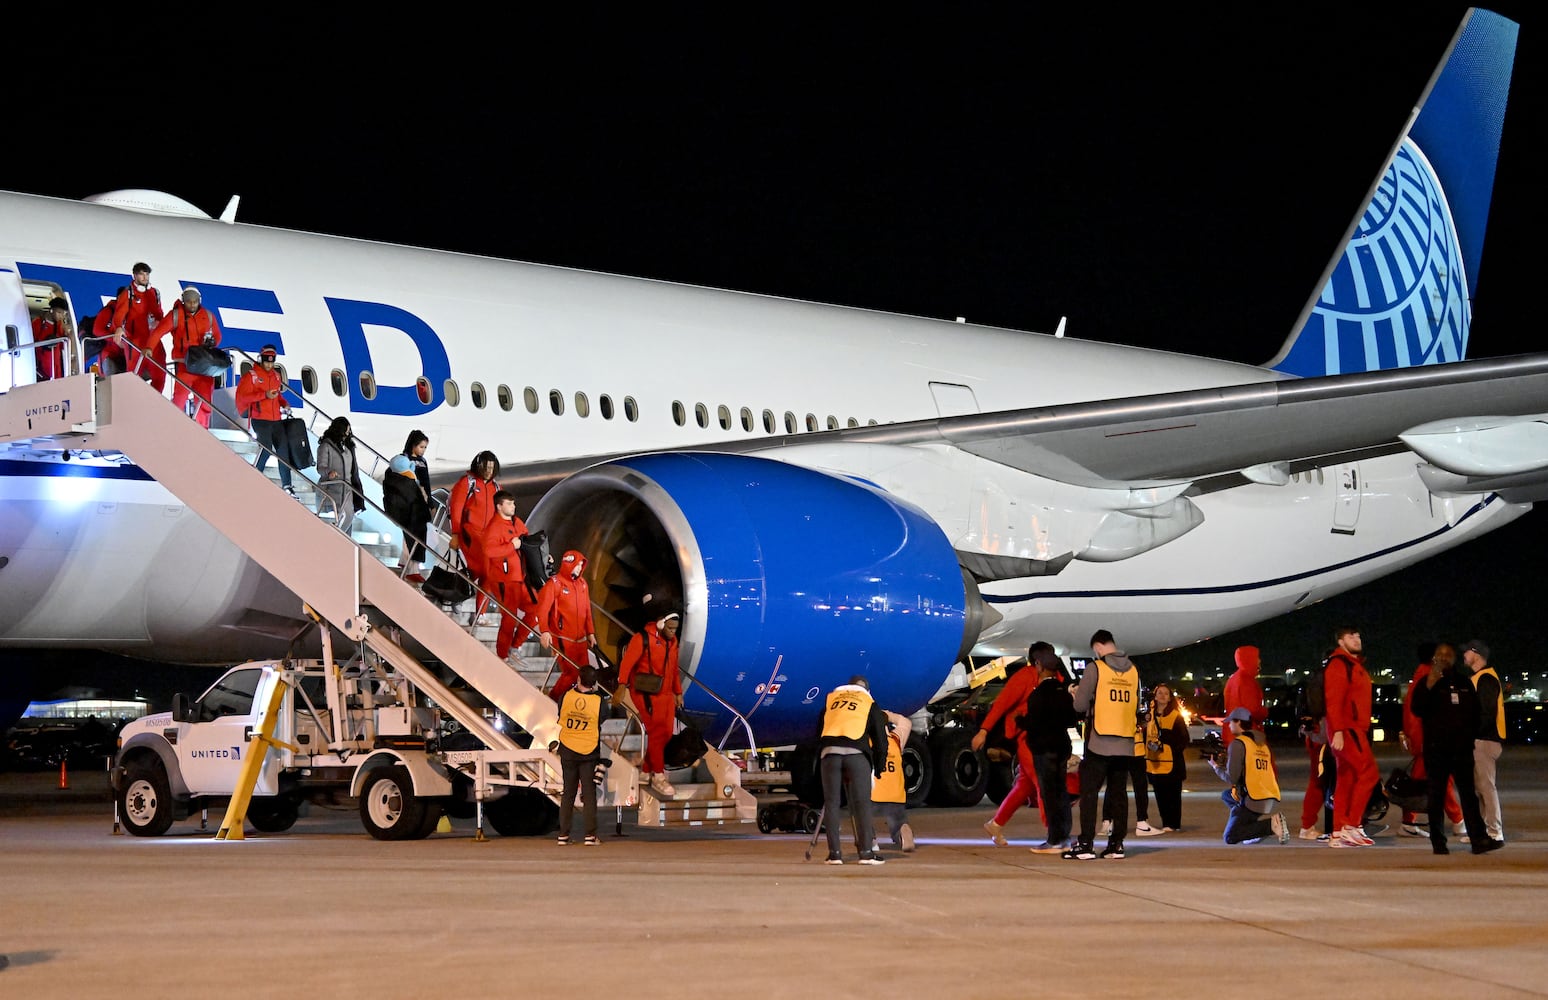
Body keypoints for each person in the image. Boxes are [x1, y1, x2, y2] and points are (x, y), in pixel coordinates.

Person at [1411, 642, 1497, 855]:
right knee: (1436, 797)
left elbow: (1475, 714)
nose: (1444, 658)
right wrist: (1432, 679)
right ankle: (1439, 843)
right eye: (1440, 654)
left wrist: (1469, 737)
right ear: (1433, 658)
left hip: (1461, 750)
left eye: (1448, 655)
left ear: (1454, 659)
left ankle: (1479, 840)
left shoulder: (1464, 683)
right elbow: (1417, 708)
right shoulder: (1427, 683)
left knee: (1468, 796)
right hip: (1436, 750)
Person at [1063, 629, 1139, 861]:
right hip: (1125, 741)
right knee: (1118, 794)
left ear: (1097, 647)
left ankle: (1086, 844)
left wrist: (1075, 693)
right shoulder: (1134, 670)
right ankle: (1116, 844)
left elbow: (1080, 705)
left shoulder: (1096, 668)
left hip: (1099, 740)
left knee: (1089, 793)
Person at [974, 641, 1053, 847]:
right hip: (1027, 739)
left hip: (1039, 737)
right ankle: (1054, 833)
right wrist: (984, 731)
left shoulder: (1050, 676)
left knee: (1024, 785)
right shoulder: (1025, 677)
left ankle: (996, 824)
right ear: (1038, 662)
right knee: (1042, 782)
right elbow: (1001, 705)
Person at [818, 674, 889, 866]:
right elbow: (881, 739)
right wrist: (880, 767)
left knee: (831, 803)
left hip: (829, 753)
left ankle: (834, 854)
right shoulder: (868, 702)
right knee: (861, 804)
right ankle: (866, 853)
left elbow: (820, 730)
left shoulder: (832, 700)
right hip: (856, 754)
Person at [1398, 643, 1464, 838]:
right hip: (1431, 740)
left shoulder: (1420, 674)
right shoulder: (1431, 677)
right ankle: (1458, 820)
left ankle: (1408, 822)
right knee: (1442, 780)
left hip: (1424, 739)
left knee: (1421, 782)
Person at [618, 608, 683, 797]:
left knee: (667, 734)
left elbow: (674, 668)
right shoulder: (641, 639)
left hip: (666, 693)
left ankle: (646, 770)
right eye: (670, 628)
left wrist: (677, 692)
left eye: (675, 629)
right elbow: (627, 663)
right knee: (656, 733)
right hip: (645, 692)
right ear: (661, 624)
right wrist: (622, 686)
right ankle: (659, 776)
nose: (673, 632)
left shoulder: (672, 642)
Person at [1324, 626, 1379, 848]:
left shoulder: (1354, 665)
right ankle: (1351, 825)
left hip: (1351, 729)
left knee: (1346, 779)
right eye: (1351, 636)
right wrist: (1337, 730)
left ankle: (1337, 831)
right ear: (1340, 641)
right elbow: (1333, 698)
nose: (1357, 639)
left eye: (1358, 635)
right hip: (1348, 730)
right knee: (1369, 773)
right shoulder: (1340, 665)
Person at [1208, 707, 1289, 844]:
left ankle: (1271, 825)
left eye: (1231, 722)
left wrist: (1216, 767)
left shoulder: (1238, 743)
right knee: (1227, 795)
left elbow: (1232, 778)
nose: (1229, 725)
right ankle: (1251, 830)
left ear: (1238, 722)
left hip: (1253, 799)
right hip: (1267, 795)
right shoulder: (1261, 744)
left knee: (1230, 837)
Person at [1023, 648, 1076, 854]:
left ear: (1040, 667)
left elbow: (1033, 724)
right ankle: (1065, 837)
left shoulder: (1038, 695)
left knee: (1049, 794)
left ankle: (1054, 839)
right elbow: (1072, 719)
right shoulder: (1063, 693)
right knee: (1061, 791)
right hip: (1061, 745)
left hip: (1044, 749)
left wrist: (1022, 723)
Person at [148, 286, 223, 428]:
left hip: (204, 366)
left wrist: (213, 342)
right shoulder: (175, 315)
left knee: (205, 401)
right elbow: (158, 332)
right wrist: (149, 348)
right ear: (184, 301)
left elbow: (218, 336)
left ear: (199, 300)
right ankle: (175, 427)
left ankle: (202, 429)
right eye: (189, 301)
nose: (192, 304)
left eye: (195, 301)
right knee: (179, 399)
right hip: (184, 364)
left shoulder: (208, 315)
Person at [234, 345, 298, 497]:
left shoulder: (276, 376)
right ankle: (256, 477)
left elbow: (277, 396)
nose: (269, 364)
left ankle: (287, 485)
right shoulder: (251, 376)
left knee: (283, 451)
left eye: (272, 362)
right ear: (261, 359)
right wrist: (264, 395)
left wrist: (284, 404)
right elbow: (243, 397)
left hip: (276, 419)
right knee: (266, 448)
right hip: (260, 418)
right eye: (266, 361)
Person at [535, 549, 596, 702]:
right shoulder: (555, 584)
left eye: (581, 565)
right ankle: (553, 700)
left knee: (584, 675)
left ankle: (575, 703)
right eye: (577, 565)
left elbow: (587, 610)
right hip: (563, 637)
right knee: (571, 673)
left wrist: (590, 633)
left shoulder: (582, 584)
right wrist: (545, 630)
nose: (579, 568)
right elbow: (542, 609)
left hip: (580, 639)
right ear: (569, 564)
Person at [554, 664, 605, 846]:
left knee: (568, 793)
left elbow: (560, 714)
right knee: (589, 794)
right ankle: (590, 836)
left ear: (578, 680)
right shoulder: (599, 701)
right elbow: (602, 719)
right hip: (588, 751)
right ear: (594, 683)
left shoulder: (566, 696)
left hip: (567, 749)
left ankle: (563, 835)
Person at [1463, 639, 1506, 844]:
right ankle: (1482, 832)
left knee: (1486, 788)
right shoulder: (1480, 677)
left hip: (1484, 740)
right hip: (1481, 739)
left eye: (1467, 652)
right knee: (1481, 788)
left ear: (1476, 654)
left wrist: (1471, 733)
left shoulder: (1486, 678)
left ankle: (1494, 831)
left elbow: (1487, 713)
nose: (1463, 655)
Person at [447, 451, 501, 611]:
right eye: (486, 467)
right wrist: (455, 533)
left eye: (491, 468)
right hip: (470, 533)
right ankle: (459, 596)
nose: (489, 471)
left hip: (488, 537)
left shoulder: (496, 488)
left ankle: (478, 612)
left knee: (486, 572)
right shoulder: (467, 483)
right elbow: (456, 508)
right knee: (485, 569)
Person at [481, 490, 530, 659]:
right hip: (504, 579)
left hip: (520, 578)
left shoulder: (517, 523)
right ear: (499, 506)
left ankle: (514, 645)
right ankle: (503, 655)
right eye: (509, 503)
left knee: (536, 610)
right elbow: (489, 550)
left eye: (513, 503)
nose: (513, 506)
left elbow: (528, 539)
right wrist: (512, 546)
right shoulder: (494, 527)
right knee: (509, 618)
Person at [109, 262, 166, 390]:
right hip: (135, 342)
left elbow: (159, 313)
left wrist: (158, 322)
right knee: (134, 376)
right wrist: (118, 327)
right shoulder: (128, 294)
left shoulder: (154, 293)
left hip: (153, 341)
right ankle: (133, 404)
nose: (145, 277)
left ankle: (155, 402)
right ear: (134, 276)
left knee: (160, 375)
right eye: (141, 274)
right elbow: (119, 314)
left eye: (147, 274)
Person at [1143, 683, 1189, 832]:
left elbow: (1183, 740)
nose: (1162, 696)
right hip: (1154, 763)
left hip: (1172, 764)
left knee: (1173, 794)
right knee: (1160, 794)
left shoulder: (1176, 716)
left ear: (1170, 698)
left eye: (1166, 694)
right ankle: (1166, 822)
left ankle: (1173, 823)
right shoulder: (1149, 715)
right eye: (1160, 693)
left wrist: (1167, 743)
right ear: (1155, 696)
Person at [872, 710, 916, 853]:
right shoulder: (895, 740)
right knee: (897, 822)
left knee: (861, 815)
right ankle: (902, 831)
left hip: (873, 794)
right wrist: (888, 715)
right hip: (895, 794)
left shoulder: (866, 741)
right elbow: (906, 723)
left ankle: (869, 839)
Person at [384, 454, 432, 583]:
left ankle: (408, 565)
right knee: (413, 542)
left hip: (412, 516)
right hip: (412, 516)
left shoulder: (396, 480)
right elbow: (411, 498)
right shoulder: (405, 481)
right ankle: (412, 570)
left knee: (411, 542)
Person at [315, 417, 360, 533]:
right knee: (338, 523)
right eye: (346, 430)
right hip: (331, 493)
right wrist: (329, 472)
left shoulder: (347, 449)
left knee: (348, 520)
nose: (348, 433)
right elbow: (320, 467)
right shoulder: (326, 447)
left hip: (346, 493)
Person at [401, 430, 433, 580]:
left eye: (425, 447)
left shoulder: (423, 461)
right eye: (421, 446)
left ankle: (406, 561)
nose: (423, 450)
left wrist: (430, 502)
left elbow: (427, 483)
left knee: (417, 534)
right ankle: (413, 569)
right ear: (413, 445)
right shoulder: (404, 459)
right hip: (409, 502)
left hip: (422, 501)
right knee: (412, 534)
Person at [1222, 645, 1267, 748]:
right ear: (1249, 659)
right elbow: (1253, 710)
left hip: (1232, 734)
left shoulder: (1233, 680)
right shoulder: (1247, 681)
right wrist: (1264, 712)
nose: (1259, 661)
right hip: (1248, 736)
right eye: (1257, 658)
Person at [32, 297, 72, 380]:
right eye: (59, 312)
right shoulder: (38, 323)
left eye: (63, 314)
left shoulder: (60, 326)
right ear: (51, 310)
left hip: (56, 366)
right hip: (42, 367)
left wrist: (67, 336)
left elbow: (62, 346)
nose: (61, 316)